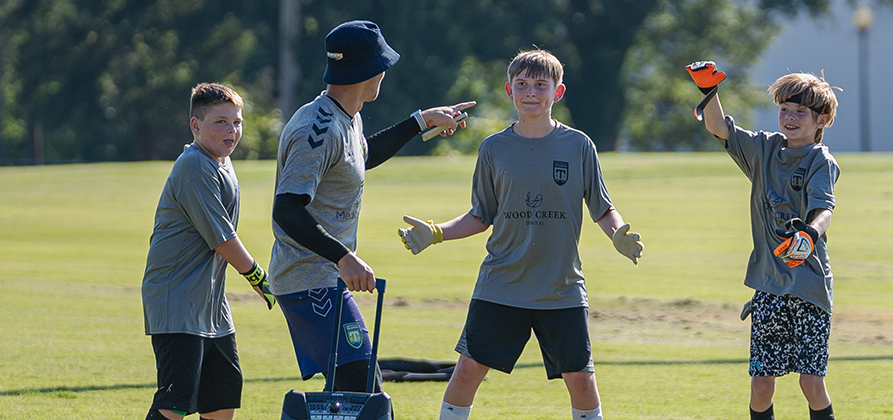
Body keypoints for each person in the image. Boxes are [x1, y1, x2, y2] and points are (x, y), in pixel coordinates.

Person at [396, 49, 643, 420]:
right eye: (522, 84)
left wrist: (618, 234)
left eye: (541, 85)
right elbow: (481, 216)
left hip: (560, 287)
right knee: (468, 370)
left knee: (580, 377)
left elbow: (602, 208)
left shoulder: (579, 146)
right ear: (509, 91)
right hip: (502, 283)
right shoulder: (493, 149)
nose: (531, 92)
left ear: (557, 93)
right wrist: (435, 232)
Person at [268, 20, 474, 392]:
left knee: (359, 388)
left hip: (327, 278)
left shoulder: (347, 117)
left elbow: (363, 155)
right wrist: (343, 257)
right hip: (308, 281)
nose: (385, 73)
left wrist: (421, 121)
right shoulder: (316, 129)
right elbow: (286, 210)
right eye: (382, 66)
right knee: (360, 389)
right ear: (368, 71)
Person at [686, 62, 841, 420]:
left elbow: (825, 209)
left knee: (811, 383)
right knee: (761, 384)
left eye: (801, 111)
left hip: (809, 287)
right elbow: (718, 127)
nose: (789, 117)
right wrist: (710, 91)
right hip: (768, 287)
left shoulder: (820, 160)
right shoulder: (763, 148)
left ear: (822, 120)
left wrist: (809, 234)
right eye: (784, 109)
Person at [141, 82, 276, 420]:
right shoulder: (194, 167)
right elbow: (223, 240)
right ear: (195, 126)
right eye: (220, 122)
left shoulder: (221, 163)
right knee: (175, 401)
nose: (232, 130)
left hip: (211, 306)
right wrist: (262, 280)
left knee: (222, 398)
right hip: (177, 302)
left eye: (237, 122)